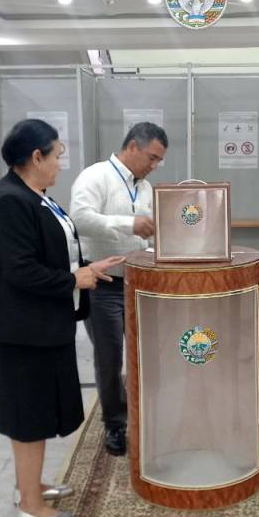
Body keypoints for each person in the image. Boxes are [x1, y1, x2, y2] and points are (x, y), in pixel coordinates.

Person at [0, 119, 124, 517]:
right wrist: (74, 279)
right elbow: (20, 270)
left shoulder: (34, 195)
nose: (61, 163)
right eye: (57, 155)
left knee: (37, 411)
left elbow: (48, 252)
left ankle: (31, 486)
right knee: (28, 415)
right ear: (36, 156)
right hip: (24, 328)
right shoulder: (11, 201)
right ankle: (30, 507)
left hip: (43, 323)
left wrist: (86, 266)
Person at [69, 122, 167, 456]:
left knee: (144, 354)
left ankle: (146, 415)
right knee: (109, 358)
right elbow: (80, 218)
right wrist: (128, 224)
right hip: (104, 284)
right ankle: (115, 423)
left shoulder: (147, 188)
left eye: (158, 161)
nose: (154, 165)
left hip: (140, 283)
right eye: (152, 157)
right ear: (132, 147)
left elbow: (149, 234)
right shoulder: (95, 177)